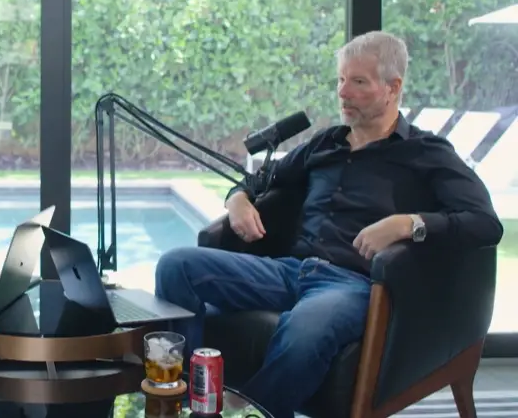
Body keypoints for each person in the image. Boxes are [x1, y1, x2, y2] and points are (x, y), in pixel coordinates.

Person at [153, 31, 503, 418]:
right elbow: (263, 179)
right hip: (289, 271)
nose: (343, 92)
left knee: (307, 329)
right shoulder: (326, 143)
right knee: (176, 266)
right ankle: (188, 401)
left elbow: (485, 224)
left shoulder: (425, 153)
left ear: (393, 87)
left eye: (358, 82)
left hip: (354, 285)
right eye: (340, 80)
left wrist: (409, 224)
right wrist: (237, 200)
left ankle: (247, 412)